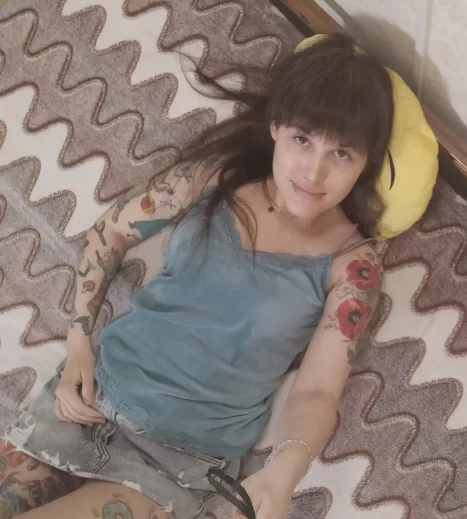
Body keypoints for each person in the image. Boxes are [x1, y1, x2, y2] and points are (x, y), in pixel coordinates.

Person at [1, 33, 393, 519]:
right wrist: (79, 341)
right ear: (276, 127)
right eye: (303, 140)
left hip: (180, 460)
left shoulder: (353, 267)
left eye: (342, 154)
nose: (314, 173)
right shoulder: (212, 179)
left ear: (365, 164)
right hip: (90, 399)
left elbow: (317, 392)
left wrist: (283, 473)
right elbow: (112, 232)